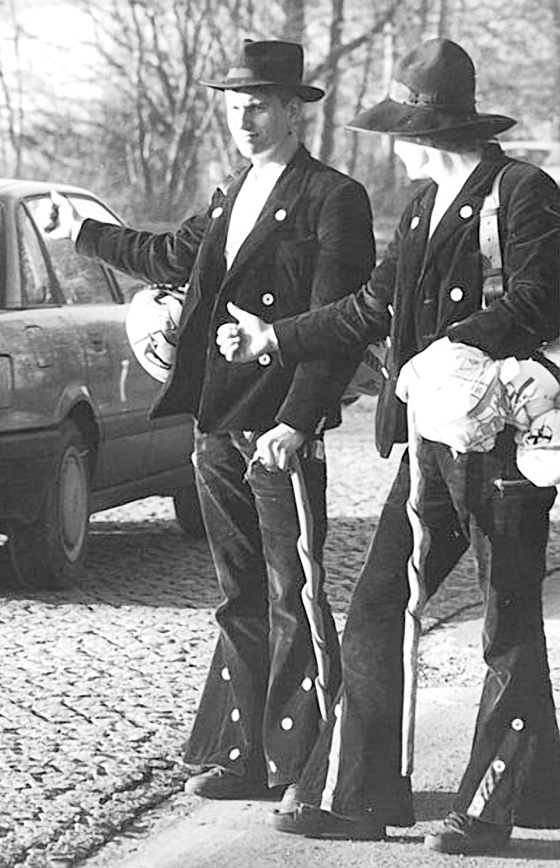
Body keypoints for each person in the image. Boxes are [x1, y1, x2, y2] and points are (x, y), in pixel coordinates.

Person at [216, 38, 560, 854]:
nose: (395, 142)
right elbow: (370, 307)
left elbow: (545, 297)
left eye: (400, 127)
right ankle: (362, 795)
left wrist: (461, 344)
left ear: (427, 130)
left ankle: (493, 806)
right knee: (376, 606)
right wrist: (274, 338)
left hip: (502, 449)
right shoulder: (417, 208)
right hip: (426, 450)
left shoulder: (521, 191)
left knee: (506, 624)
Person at [54, 40, 375, 801]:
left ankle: (308, 767)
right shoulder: (234, 190)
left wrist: (299, 421)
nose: (245, 120)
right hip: (218, 421)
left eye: (259, 106)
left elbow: (339, 325)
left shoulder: (336, 198)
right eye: (234, 108)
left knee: (291, 588)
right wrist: (88, 234)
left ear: (295, 111)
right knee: (236, 592)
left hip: (280, 429)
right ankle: (242, 755)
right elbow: (173, 254)